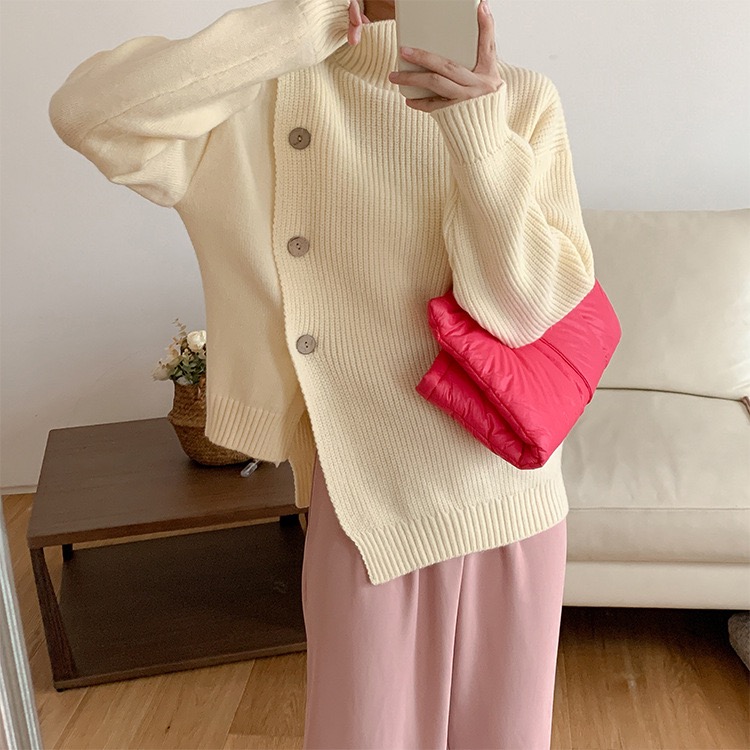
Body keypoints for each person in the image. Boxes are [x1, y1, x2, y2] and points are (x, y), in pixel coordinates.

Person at [48, 0, 595, 746]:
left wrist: (477, 134)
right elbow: (87, 113)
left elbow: (523, 312)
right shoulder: (255, 98)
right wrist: (307, 24)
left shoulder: (520, 99)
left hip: (507, 488)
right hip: (365, 501)